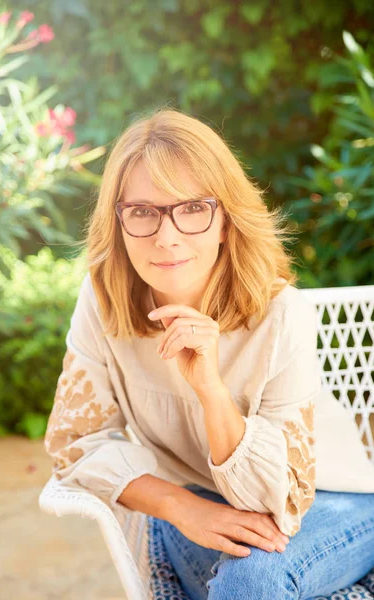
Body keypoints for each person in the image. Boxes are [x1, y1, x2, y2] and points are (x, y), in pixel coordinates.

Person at [44, 107, 374, 599]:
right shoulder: (102, 302)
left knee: (251, 579)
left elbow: (278, 499)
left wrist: (211, 390)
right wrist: (180, 507)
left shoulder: (282, 316)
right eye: (142, 211)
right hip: (200, 502)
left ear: (225, 221)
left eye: (193, 208)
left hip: (332, 499)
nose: (167, 236)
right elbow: (75, 444)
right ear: (117, 223)